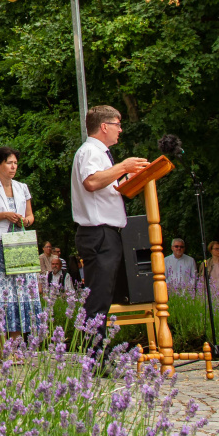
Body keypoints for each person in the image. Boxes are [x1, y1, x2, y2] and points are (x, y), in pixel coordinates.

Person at [70, 106, 149, 349]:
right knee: (99, 297)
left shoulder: (100, 154)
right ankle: (95, 358)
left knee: (104, 295)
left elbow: (108, 187)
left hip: (106, 233)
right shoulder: (91, 152)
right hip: (98, 232)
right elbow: (92, 182)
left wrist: (132, 178)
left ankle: (98, 353)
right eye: (117, 124)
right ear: (104, 126)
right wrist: (124, 167)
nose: (120, 129)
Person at [0, 146, 42, 337]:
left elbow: (30, 216)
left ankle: (17, 343)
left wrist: (25, 221)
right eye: (9, 163)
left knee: (21, 291)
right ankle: (2, 343)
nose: (13, 167)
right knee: (0, 293)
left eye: (15, 163)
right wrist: (4, 215)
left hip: (20, 243)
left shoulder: (22, 187)